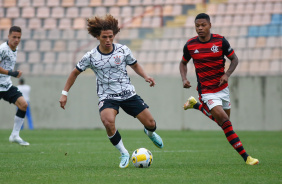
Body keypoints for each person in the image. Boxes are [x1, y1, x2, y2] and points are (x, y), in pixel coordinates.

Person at [59, 14, 164, 168]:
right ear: (97, 37)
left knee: (151, 123)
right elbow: (74, 73)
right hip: (107, 96)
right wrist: (64, 93)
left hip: (128, 94)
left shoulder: (123, 50)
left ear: (114, 35)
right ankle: (124, 153)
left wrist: (146, 76)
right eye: (104, 37)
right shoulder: (91, 56)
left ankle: (149, 133)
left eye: (110, 36)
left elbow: (134, 65)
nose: (108, 40)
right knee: (108, 121)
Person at [179, 13, 259, 165]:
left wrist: (227, 74)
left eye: (203, 25)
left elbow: (234, 59)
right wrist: (184, 78)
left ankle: (195, 105)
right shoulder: (190, 45)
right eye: (197, 26)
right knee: (225, 121)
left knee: (222, 123)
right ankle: (247, 158)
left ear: (210, 25)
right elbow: (182, 63)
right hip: (206, 91)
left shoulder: (220, 41)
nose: (200, 28)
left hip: (222, 89)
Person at [0, 26, 30, 146]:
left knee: (23, 104)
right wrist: (11, 73)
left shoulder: (15, 49)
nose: (16, 40)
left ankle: (15, 135)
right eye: (14, 37)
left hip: (6, 86)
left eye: (19, 37)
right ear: (8, 36)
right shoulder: (3, 49)